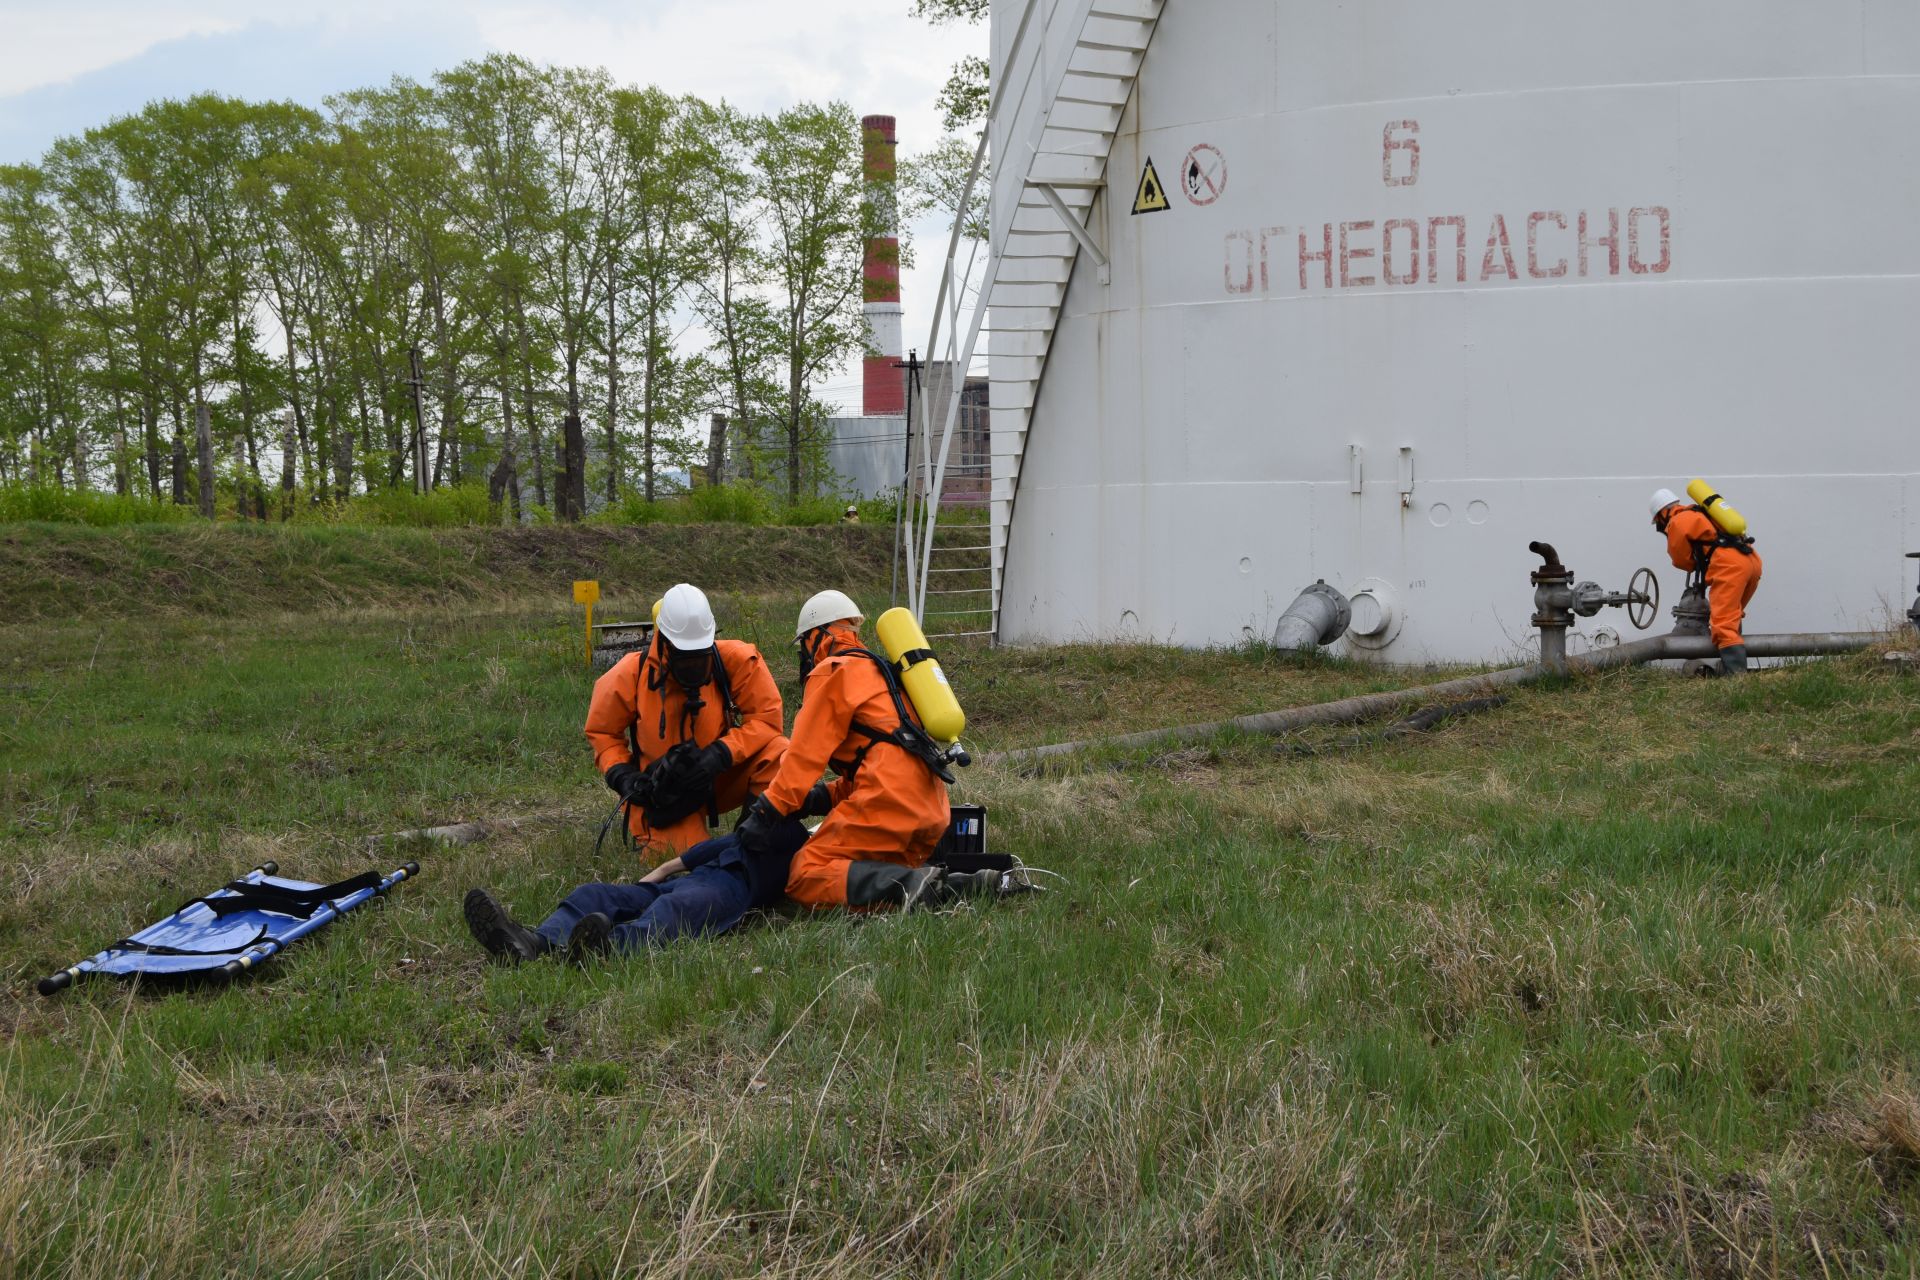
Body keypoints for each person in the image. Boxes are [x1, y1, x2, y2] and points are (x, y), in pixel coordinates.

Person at [734, 590, 970, 911]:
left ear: (817, 636)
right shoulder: (885, 674)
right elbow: (882, 760)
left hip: (889, 809)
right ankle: (948, 886)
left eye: (804, 644)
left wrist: (766, 812)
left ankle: (914, 884)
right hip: (931, 812)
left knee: (807, 873)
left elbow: (803, 758)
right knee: (868, 876)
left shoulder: (833, 671)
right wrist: (820, 798)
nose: (805, 655)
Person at [584, 582, 786, 858]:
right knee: (686, 861)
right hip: (665, 793)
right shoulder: (629, 674)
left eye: (699, 656)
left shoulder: (737, 661)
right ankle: (685, 838)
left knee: (780, 753)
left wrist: (721, 753)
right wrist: (623, 776)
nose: (694, 666)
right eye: (685, 657)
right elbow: (603, 733)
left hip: (717, 777)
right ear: (664, 642)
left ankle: (750, 838)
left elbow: (766, 718)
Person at [461, 819, 810, 961]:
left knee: (674, 912)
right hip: (687, 880)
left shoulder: (802, 841)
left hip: (730, 890)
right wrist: (657, 874)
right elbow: (711, 848)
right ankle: (533, 942)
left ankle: (605, 948)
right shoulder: (756, 827)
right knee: (595, 894)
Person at [1650, 487, 1763, 674]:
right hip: (1751, 560)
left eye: (1658, 522)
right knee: (1731, 614)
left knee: (1723, 624)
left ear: (1662, 514)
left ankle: (1736, 678)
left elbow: (1682, 561)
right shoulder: (1699, 510)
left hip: (1730, 566)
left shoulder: (1677, 521)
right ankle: (1730, 666)